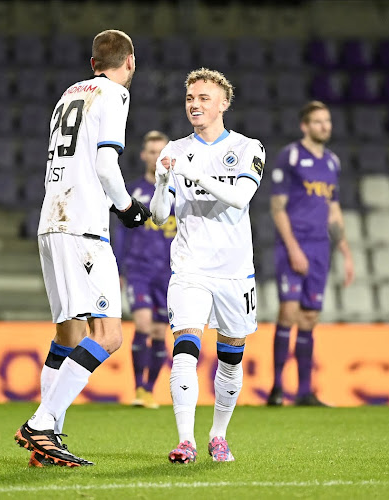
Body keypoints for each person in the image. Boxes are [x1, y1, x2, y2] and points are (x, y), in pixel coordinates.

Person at [14, 29, 151, 468]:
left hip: (51, 221)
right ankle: (43, 422)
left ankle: (46, 437)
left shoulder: (69, 94)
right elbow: (106, 163)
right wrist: (128, 208)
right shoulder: (114, 94)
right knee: (109, 335)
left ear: (93, 62)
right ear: (129, 62)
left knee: (67, 334)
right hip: (83, 227)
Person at [150, 68, 265, 464]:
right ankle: (186, 440)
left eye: (203, 98)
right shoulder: (176, 149)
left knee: (231, 357)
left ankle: (218, 434)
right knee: (185, 348)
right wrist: (161, 181)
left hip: (235, 272)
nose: (195, 105)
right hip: (190, 267)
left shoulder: (250, 148)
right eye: (189, 99)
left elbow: (239, 198)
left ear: (223, 103)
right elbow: (160, 214)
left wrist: (192, 172)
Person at [267, 100, 355, 407]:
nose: (324, 126)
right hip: (294, 242)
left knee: (310, 316)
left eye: (327, 121)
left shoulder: (332, 162)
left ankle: (304, 391)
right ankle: (277, 388)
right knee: (288, 312)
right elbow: (277, 208)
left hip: (320, 246)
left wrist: (344, 249)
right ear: (305, 126)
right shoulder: (290, 156)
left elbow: (333, 207)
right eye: (318, 122)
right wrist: (293, 249)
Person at [113, 130, 173, 409]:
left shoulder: (177, 191)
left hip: (169, 272)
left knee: (160, 333)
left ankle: (149, 389)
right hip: (139, 269)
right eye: (152, 152)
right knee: (143, 324)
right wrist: (118, 268)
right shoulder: (131, 191)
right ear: (143, 155)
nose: (156, 157)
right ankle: (138, 387)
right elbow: (121, 233)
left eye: (161, 152)